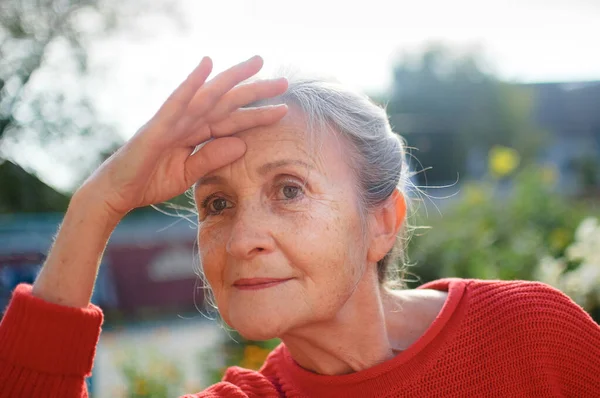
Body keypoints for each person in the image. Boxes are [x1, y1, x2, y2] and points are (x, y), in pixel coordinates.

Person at [0, 55, 599, 398]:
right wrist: (99, 202)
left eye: (289, 190)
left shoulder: (528, 335)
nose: (241, 240)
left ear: (382, 222)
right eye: (216, 205)